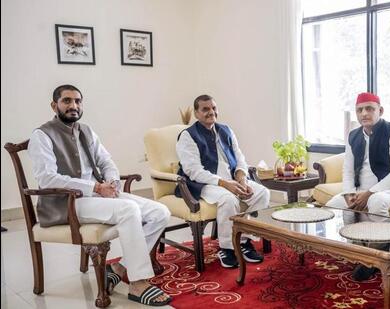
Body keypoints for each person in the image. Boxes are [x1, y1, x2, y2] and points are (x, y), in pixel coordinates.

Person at [28, 85, 172, 306]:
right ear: (54, 105)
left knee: (159, 212)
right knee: (129, 210)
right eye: (67, 101)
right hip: (65, 203)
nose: (73, 106)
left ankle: (118, 268)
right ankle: (138, 282)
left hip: (96, 196)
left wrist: (112, 182)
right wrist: (95, 187)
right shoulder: (42, 135)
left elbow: (106, 161)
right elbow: (48, 179)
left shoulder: (86, 130)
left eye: (77, 101)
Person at [326, 92, 390, 280]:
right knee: (335, 205)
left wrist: (368, 193)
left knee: (376, 202)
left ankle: (383, 254)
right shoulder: (354, 135)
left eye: (369, 109)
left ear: (380, 110)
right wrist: (350, 194)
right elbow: (348, 170)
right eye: (360, 110)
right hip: (361, 190)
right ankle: (358, 252)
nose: (364, 113)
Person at [175, 94, 270, 268]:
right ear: (196, 113)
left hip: (232, 180)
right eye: (205, 109)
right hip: (204, 184)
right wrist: (224, 184)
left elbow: (239, 156)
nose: (211, 112)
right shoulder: (188, 136)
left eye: (213, 108)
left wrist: (242, 177)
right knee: (228, 199)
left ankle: (244, 241)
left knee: (262, 193)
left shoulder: (226, 130)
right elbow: (193, 171)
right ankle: (227, 247)